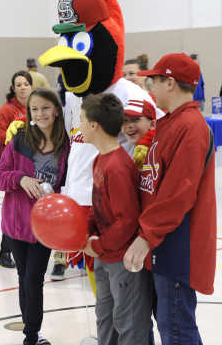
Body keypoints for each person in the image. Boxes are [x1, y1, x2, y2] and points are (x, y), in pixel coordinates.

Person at [125, 53, 217, 344]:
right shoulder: (169, 124)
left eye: (154, 80)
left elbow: (179, 194)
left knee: (176, 328)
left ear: (171, 83)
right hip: (161, 243)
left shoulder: (191, 127)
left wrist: (146, 235)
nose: (148, 85)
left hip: (176, 246)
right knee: (167, 323)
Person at [0, 88, 69, 345]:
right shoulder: (20, 140)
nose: (40, 113)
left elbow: (68, 185)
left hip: (44, 228)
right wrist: (21, 178)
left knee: (34, 279)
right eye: (34, 109)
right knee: (24, 277)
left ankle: (31, 336)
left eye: (45, 108)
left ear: (56, 110)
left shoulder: (66, 147)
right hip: (16, 224)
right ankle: (32, 334)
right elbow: (0, 177)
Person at [80, 93, 153, 345]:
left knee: (128, 323)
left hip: (123, 261)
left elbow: (127, 221)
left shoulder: (118, 166)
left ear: (93, 125)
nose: (79, 126)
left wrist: (97, 245)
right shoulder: (100, 159)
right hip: (104, 257)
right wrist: (84, 233)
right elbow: (97, 205)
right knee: (106, 319)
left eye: (81, 119)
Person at [0, 71, 32, 269]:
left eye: (26, 83)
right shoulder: (7, 110)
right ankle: (5, 251)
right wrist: (12, 136)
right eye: (19, 84)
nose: (23, 87)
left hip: (33, 164)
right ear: (13, 88)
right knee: (12, 209)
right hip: (12, 165)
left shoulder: (37, 106)